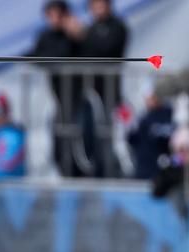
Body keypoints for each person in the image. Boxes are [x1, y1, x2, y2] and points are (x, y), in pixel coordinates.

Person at [26, 0, 81, 176]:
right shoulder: (45, 36)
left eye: (59, 14)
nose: (55, 19)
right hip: (57, 95)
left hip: (77, 95)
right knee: (58, 135)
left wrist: (77, 34)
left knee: (76, 136)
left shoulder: (74, 35)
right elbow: (36, 55)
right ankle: (64, 171)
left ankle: (76, 172)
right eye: (51, 15)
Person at [76, 0, 129, 176]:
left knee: (109, 136)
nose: (97, 9)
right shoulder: (91, 30)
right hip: (90, 95)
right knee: (89, 136)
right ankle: (94, 171)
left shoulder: (117, 28)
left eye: (100, 4)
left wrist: (83, 36)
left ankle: (112, 172)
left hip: (110, 94)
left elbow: (107, 50)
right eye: (94, 5)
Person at [126, 83, 174, 180]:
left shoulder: (167, 117)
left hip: (161, 171)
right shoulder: (143, 118)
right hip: (145, 168)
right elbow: (132, 138)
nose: (148, 101)